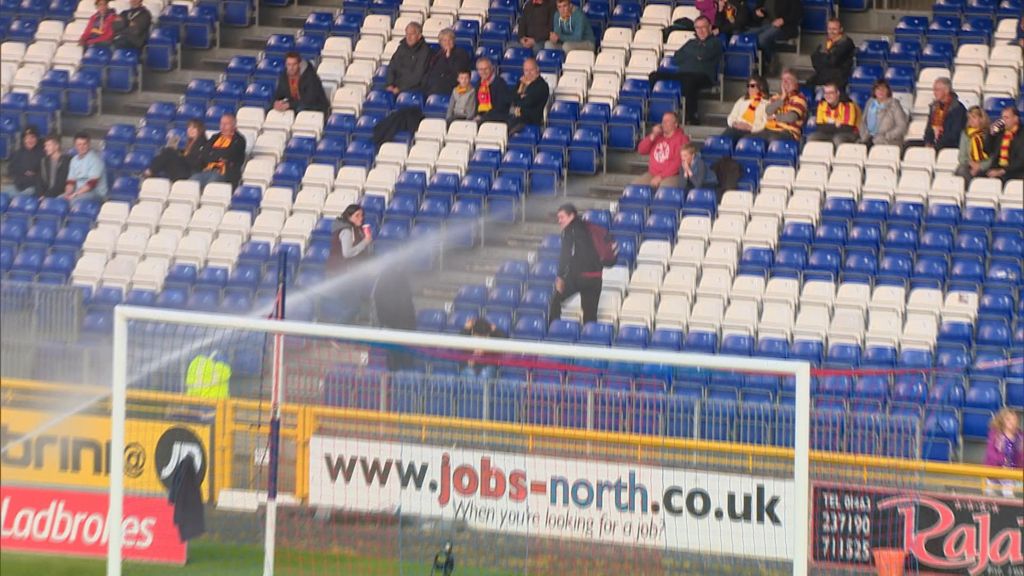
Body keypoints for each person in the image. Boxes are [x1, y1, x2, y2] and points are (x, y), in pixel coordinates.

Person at [648, 17, 722, 125]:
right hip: (683, 74)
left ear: (710, 27)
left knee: (688, 81)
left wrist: (691, 55)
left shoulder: (715, 42)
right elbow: (677, 57)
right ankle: (652, 110)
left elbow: (703, 55)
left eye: (703, 27)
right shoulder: (691, 42)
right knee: (654, 75)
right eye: (697, 28)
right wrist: (696, 55)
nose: (700, 31)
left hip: (704, 76)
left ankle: (691, 116)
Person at [549, 203, 603, 326]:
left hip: (579, 277)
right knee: (590, 316)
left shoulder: (569, 231)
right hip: (596, 277)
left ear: (571, 216)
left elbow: (565, 255)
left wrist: (560, 277)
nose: (559, 221)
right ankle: (589, 339)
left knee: (555, 301)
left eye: (562, 217)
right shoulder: (589, 227)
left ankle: (554, 331)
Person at [328, 204, 374, 323]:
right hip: (340, 273)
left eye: (362, 215)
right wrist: (365, 242)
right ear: (349, 217)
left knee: (355, 305)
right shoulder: (347, 231)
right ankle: (336, 332)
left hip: (344, 272)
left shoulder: (354, 229)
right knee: (353, 306)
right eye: (357, 216)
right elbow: (347, 253)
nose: (361, 218)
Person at [635, 112, 690, 187]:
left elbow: (678, 163)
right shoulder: (657, 136)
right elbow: (641, 150)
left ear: (675, 124)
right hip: (653, 174)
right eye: (663, 121)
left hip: (673, 175)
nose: (664, 123)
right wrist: (653, 135)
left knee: (665, 188)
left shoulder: (682, 139)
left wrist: (661, 176)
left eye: (667, 121)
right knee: (635, 187)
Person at [192, 113, 246, 188]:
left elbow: (229, 154)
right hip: (207, 170)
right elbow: (204, 153)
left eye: (226, 124)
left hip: (224, 173)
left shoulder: (239, 140)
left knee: (211, 185)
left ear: (234, 125)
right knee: (191, 182)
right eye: (221, 123)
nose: (223, 126)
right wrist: (219, 157)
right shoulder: (215, 137)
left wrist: (212, 153)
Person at [749, 0, 802, 74]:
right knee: (746, 35)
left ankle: (771, 58)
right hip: (764, 25)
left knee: (762, 39)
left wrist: (783, 20)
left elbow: (798, 14)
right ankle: (757, 62)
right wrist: (757, 13)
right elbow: (755, 13)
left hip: (784, 27)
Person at [983, 408, 1023, 498]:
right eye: (1008, 419)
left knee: (1008, 495)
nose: (1012, 422)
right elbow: (990, 452)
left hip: (1011, 472)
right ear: (1002, 420)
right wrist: (1002, 461)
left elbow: (1021, 454)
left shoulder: (1020, 436)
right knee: (989, 494)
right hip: (994, 469)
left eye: (1014, 419)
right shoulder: (995, 435)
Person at [760, 68, 808, 142]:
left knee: (771, 141)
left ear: (795, 82)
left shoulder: (800, 98)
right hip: (769, 129)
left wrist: (775, 117)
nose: (785, 82)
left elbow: (791, 117)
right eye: (783, 79)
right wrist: (782, 98)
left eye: (788, 79)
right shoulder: (777, 97)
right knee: (748, 139)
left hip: (788, 132)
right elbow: (768, 111)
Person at [858, 79, 908, 147]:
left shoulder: (894, 104)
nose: (881, 91)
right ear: (874, 91)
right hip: (869, 139)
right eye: (878, 89)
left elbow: (902, 126)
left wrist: (887, 136)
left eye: (883, 89)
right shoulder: (870, 103)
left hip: (889, 141)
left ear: (888, 91)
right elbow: (863, 122)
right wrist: (864, 136)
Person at [807, 18, 854, 90]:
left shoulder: (846, 43)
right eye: (829, 29)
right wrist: (826, 57)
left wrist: (822, 57)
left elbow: (834, 61)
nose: (831, 31)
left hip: (839, 77)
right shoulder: (825, 42)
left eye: (834, 29)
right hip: (824, 73)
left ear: (841, 29)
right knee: (809, 83)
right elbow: (814, 57)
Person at [808, 81, 861, 146]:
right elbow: (819, 126)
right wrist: (836, 125)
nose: (828, 96)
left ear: (837, 93)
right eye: (825, 93)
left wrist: (828, 125)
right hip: (829, 134)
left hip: (850, 134)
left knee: (837, 139)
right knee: (812, 138)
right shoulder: (822, 104)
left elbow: (847, 128)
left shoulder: (847, 105)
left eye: (831, 93)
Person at [422, 29, 471, 96]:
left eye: (450, 40)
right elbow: (431, 70)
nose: (447, 43)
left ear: (454, 41)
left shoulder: (461, 53)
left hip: (450, 87)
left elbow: (458, 71)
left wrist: (448, 57)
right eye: (444, 40)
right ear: (440, 42)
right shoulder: (437, 54)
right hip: (433, 88)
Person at [386, 22, 431, 95]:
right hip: (396, 86)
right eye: (407, 34)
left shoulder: (425, 51)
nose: (409, 37)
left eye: (412, 34)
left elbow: (418, 75)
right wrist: (390, 84)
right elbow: (392, 66)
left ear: (419, 36)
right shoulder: (401, 48)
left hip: (414, 89)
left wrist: (400, 88)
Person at [923, 77, 966, 151]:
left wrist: (937, 144)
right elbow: (929, 129)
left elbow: (954, 134)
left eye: (937, 90)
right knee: (909, 145)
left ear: (946, 91)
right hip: (935, 142)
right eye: (934, 90)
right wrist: (928, 142)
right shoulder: (934, 107)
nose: (934, 93)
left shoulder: (958, 109)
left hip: (950, 145)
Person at [721, 75, 769, 140]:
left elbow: (765, 123)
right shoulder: (742, 100)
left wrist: (751, 128)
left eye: (752, 86)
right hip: (736, 128)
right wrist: (734, 124)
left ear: (760, 87)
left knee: (746, 141)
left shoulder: (766, 103)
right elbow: (732, 116)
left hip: (753, 131)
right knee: (724, 138)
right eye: (748, 86)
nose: (749, 88)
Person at [64, 132, 107, 201]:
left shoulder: (95, 159)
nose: (81, 147)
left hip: (96, 193)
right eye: (79, 144)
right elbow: (71, 182)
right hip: (79, 191)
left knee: (75, 201)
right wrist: (67, 193)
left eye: (84, 144)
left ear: (89, 144)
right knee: (59, 200)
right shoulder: (74, 160)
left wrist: (76, 194)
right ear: (75, 146)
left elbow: (91, 184)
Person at [985, 106, 1024, 181]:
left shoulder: (1022, 134)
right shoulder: (1000, 133)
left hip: (1016, 171)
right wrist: (991, 135)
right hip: (997, 168)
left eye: (1006, 118)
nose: (1003, 121)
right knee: (979, 177)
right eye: (1002, 118)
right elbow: (987, 151)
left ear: (1015, 119)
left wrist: (1002, 171)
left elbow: (1021, 160)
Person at [510, 58, 549, 132]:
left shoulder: (542, 85)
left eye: (531, 70)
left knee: (511, 126)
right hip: (517, 116)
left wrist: (519, 98)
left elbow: (528, 102)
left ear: (537, 69)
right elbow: (512, 99)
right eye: (526, 70)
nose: (529, 73)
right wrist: (520, 92)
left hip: (531, 119)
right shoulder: (521, 83)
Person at [2, 127, 44, 196]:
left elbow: (45, 174)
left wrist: (34, 174)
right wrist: (23, 172)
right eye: (27, 138)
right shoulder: (18, 153)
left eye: (32, 137)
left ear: (37, 139)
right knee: (3, 195)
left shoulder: (42, 154)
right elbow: (10, 170)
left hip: (34, 187)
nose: (30, 140)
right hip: (18, 186)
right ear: (24, 140)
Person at [954, 106, 992, 180]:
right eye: (969, 118)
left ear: (981, 119)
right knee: (961, 170)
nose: (971, 120)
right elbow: (962, 157)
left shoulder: (989, 134)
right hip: (969, 165)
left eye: (974, 117)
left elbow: (992, 157)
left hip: (985, 166)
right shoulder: (965, 134)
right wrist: (971, 163)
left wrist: (979, 166)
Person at [474, 57, 512, 123]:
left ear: (491, 68)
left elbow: (501, 107)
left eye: (486, 69)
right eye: (480, 69)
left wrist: (484, 117)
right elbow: (477, 105)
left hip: (497, 118)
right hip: (482, 117)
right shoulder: (478, 83)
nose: (483, 72)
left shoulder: (500, 83)